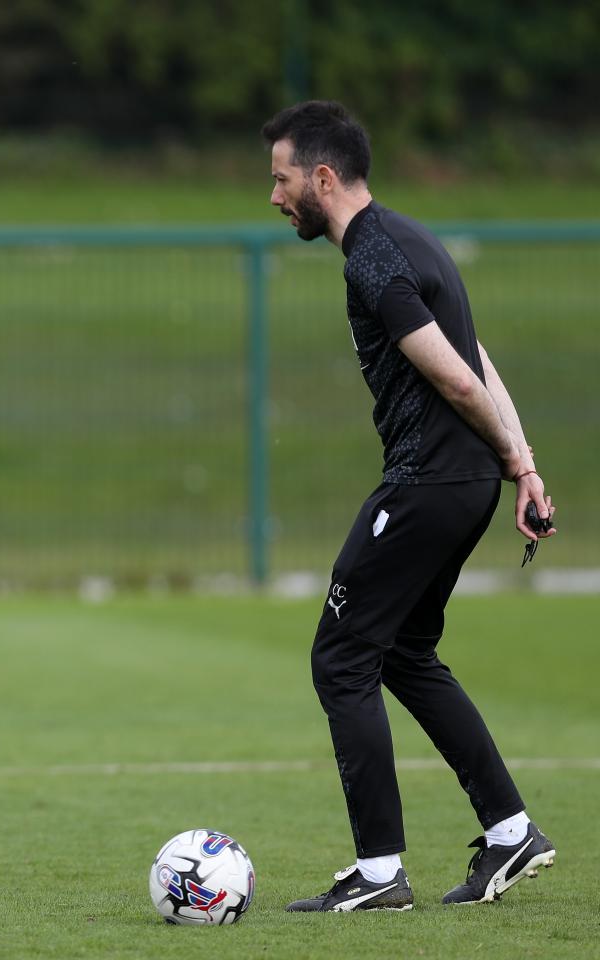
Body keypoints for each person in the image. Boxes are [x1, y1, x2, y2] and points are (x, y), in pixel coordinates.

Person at [262, 100, 558, 911]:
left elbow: (457, 376)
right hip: (465, 486)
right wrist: (522, 466)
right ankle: (510, 833)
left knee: (341, 657)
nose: (275, 196)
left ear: (324, 177)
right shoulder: (411, 236)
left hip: (427, 482)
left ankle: (380, 873)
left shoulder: (372, 258)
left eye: (283, 179)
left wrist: (511, 457)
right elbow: (480, 356)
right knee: (404, 653)